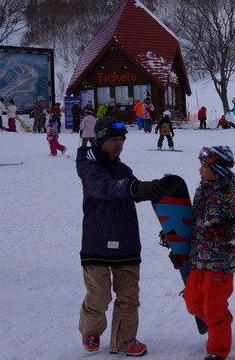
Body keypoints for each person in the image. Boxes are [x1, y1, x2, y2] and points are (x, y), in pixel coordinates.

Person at [76, 116, 167, 356]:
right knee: (99, 296)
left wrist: (152, 188)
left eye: (121, 139)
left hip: (126, 241)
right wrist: (132, 188)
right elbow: (103, 187)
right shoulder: (89, 165)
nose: (119, 144)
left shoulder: (123, 168)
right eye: (113, 139)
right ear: (100, 140)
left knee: (129, 297)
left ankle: (124, 341)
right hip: (97, 242)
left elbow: (134, 189)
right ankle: (91, 331)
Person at [185, 145, 235, 360]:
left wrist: (224, 234)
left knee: (213, 309)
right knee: (193, 302)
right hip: (198, 260)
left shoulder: (230, 197)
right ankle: (224, 318)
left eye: (204, 166)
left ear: (218, 171)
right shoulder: (200, 192)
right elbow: (193, 224)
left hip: (220, 263)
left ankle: (217, 351)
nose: (199, 170)